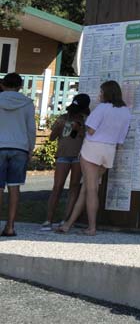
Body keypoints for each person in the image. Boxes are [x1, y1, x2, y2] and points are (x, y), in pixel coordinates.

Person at [58, 81, 131, 236]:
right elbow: (121, 138)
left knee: (91, 190)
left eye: (101, 92)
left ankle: (92, 227)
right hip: (109, 150)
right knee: (86, 189)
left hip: (92, 149)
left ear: (106, 93)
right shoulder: (126, 111)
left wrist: (80, 128)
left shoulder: (102, 108)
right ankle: (68, 224)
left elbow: (90, 130)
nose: (99, 94)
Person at [42, 93, 90, 231]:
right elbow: (51, 138)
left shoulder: (86, 121)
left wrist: (80, 129)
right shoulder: (62, 118)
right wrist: (58, 127)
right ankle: (48, 219)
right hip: (63, 155)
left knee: (74, 187)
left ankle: (67, 219)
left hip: (79, 156)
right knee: (57, 186)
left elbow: (88, 137)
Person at [0, 72, 36, 237]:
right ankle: (10, 226)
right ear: (20, 86)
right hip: (20, 147)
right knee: (15, 187)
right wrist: (30, 148)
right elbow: (30, 129)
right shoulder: (27, 103)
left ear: (3, 85)